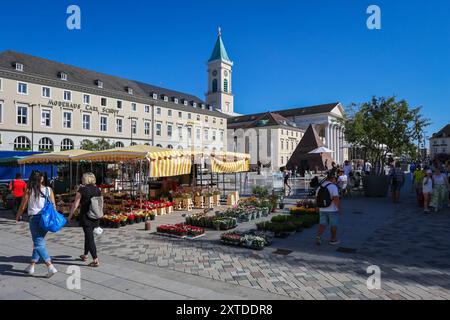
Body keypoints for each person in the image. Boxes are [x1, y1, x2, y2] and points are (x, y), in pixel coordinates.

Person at [15, 171, 58, 277]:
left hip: (34, 218)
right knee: (38, 242)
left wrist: (18, 215)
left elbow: (23, 205)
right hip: (46, 220)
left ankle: (50, 266)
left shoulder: (29, 190)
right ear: (41, 179)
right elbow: (54, 206)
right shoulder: (49, 189)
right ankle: (32, 266)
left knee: (38, 243)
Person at [69, 173, 102, 267]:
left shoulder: (82, 189)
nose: (81, 179)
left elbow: (75, 204)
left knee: (90, 237)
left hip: (86, 216)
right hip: (95, 216)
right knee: (88, 236)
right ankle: (85, 255)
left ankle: (96, 260)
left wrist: (70, 215)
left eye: (83, 178)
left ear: (85, 179)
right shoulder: (98, 189)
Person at [316, 174, 341, 245]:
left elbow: (316, 199)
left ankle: (318, 237)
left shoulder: (320, 187)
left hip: (322, 209)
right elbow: (336, 198)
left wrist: (317, 207)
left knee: (322, 224)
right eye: (335, 179)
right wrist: (339, 208)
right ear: (332, 179)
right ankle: (333, 239)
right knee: (333, 224)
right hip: (332, 209)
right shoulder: (333, 187)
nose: (336, 181)